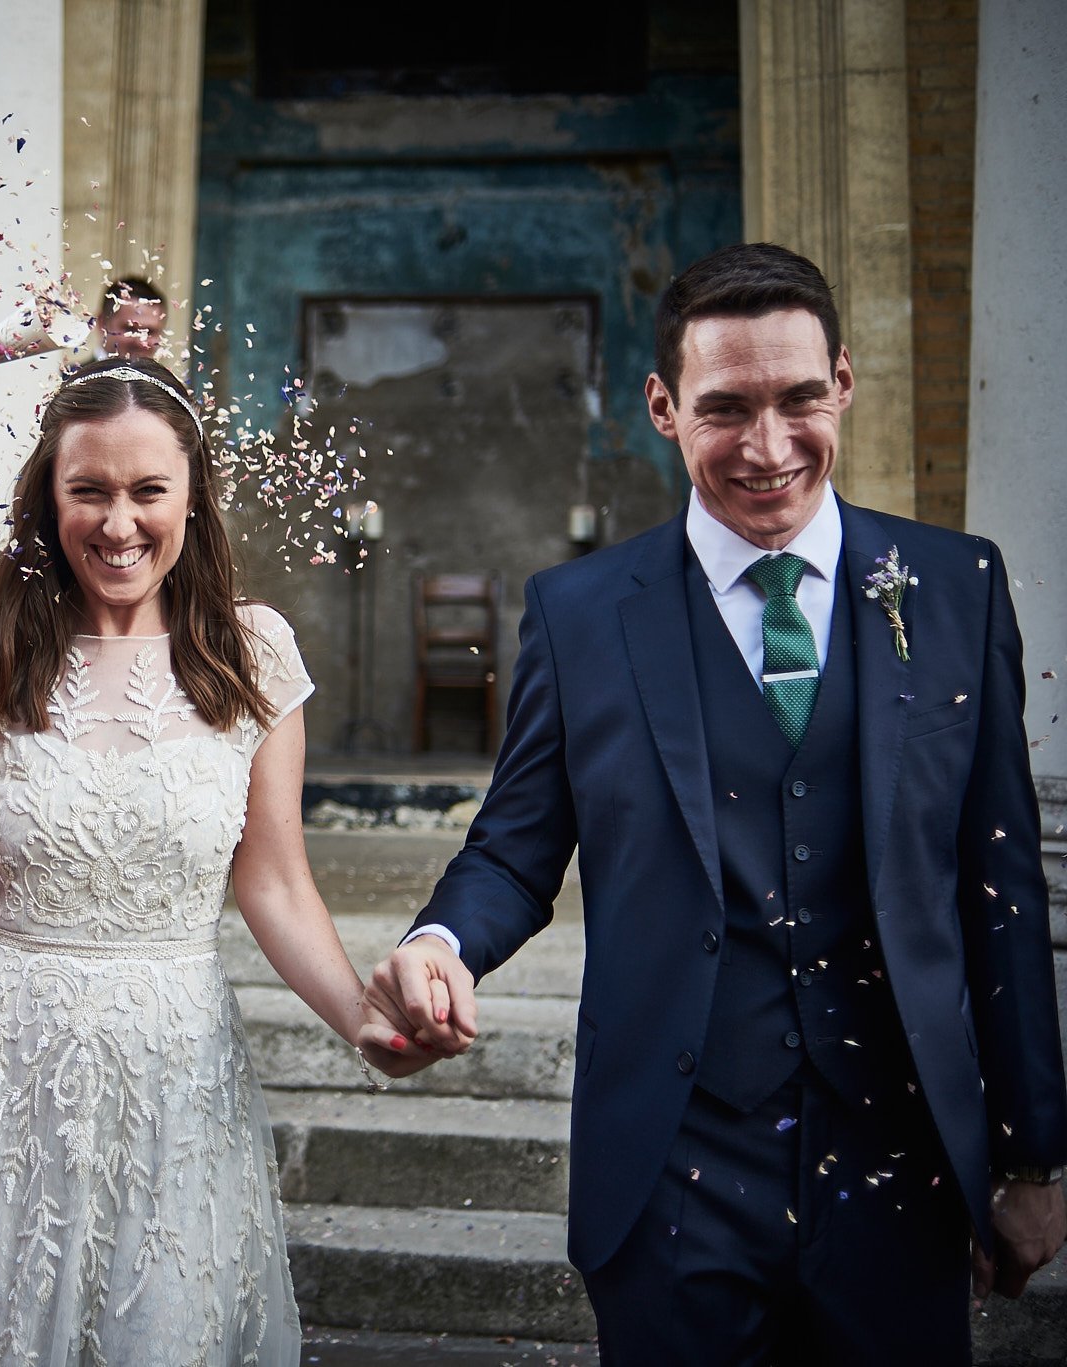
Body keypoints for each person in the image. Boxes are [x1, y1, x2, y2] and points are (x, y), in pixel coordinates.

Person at [361, 242, 1067, 1364]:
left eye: (796, 399)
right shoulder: (580, 611)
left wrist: (1031, 1155)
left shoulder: (952, 586)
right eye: (724, 408)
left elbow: (1001, 885)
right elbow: (513, 847)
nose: (768, 447)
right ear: (660, 405)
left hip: (902, 1155)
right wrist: (439, 941)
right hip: (673, 1167)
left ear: (841, 380)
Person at [0, 357, 378, 1365]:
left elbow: (273, 881)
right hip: (5, 1072)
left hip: (175, 1071)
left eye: (147, 491)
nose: (117, 523)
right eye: (88, 490)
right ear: (47, 497)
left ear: (191, 496)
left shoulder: (253, 654)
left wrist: (362, 1015)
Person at [80, 275, 168, 363]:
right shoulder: (71, 376)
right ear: (102, 324)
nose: (141, 342)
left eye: (150, 332)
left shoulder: (169, 377)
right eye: (130, 329)